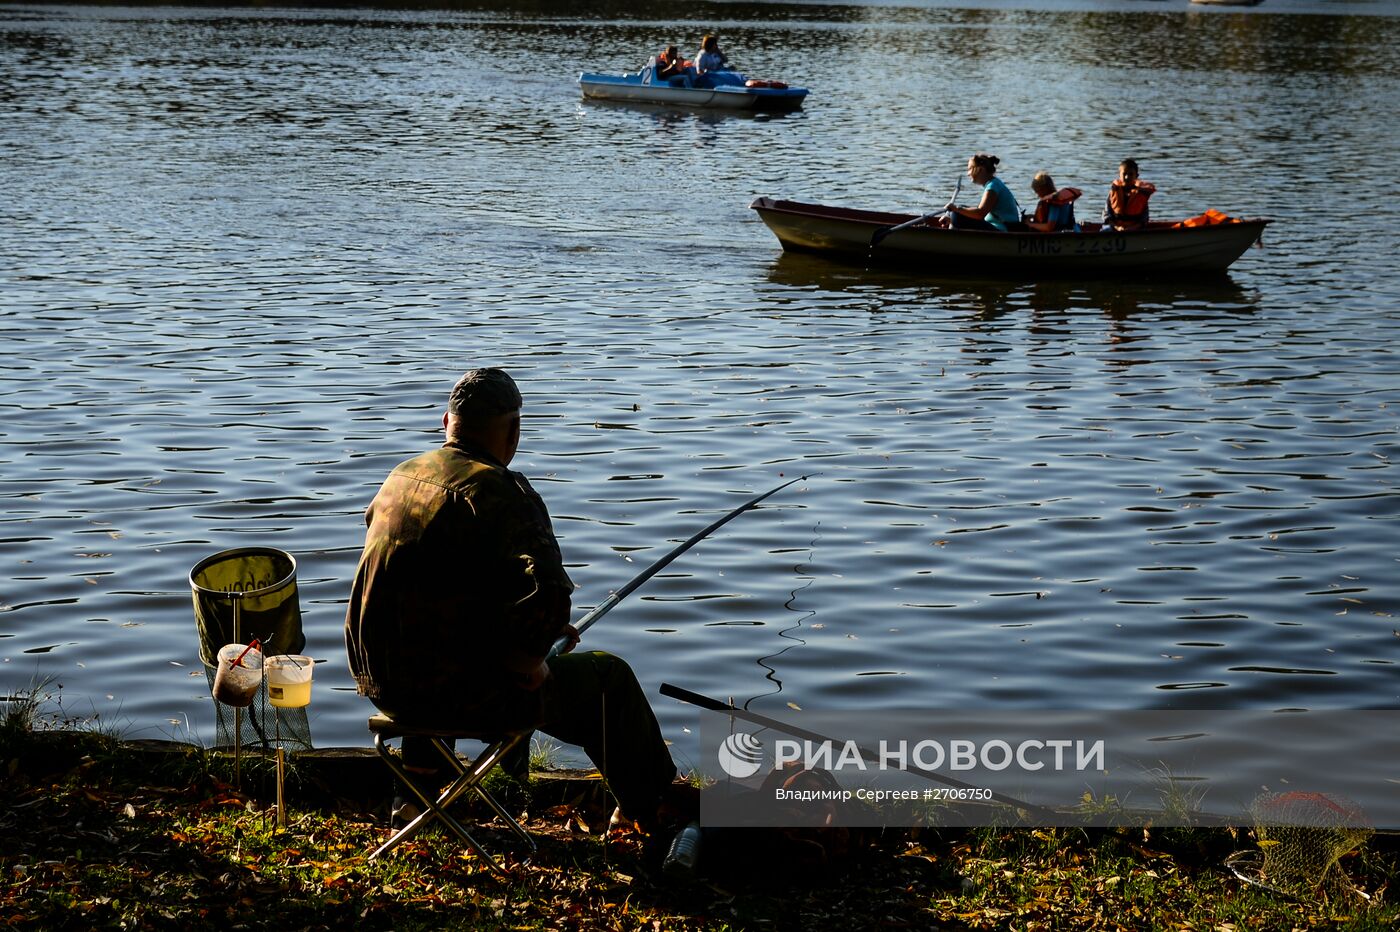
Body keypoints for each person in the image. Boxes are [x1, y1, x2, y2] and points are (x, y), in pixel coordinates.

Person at [344, 368, 691, 834]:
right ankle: (648, 812)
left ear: (446, 420)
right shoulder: (502, 490)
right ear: (513, 431)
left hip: (380, 681)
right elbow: (551, 592)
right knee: (610, 679)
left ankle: (416, 795)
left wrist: (536, 632)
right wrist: (530, 658)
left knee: (430, 646)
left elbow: (434, 589)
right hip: (450, 695)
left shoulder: (401, 477)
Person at [945, 153, 1022, 232]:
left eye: (970, 169)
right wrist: (951, 218)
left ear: (980, 169)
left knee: (957, 215)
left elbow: (980, 214)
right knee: (959, 211)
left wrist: (956, 210)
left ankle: (950, 238)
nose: (968, 174)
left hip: (1003, 229)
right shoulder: (994, 184)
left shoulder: (993, 187)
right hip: (996, 225)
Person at [1102, 158, 1156, 231]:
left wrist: (1131, 228)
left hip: (1135, 229)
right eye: (1124, 174)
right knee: (1105, 229)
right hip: (1114, 228)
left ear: (1136, 176)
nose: (1127, 177)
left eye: (1131, 174)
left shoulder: (1142, 194)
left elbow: (1144, 219)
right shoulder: (1114, 192)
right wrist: (1117, 228)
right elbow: (1106, 216)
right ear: (1119, 175)